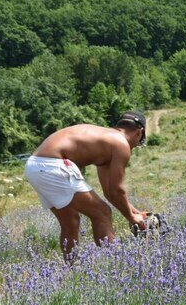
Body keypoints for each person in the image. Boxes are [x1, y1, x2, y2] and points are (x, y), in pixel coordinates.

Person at [24, 111, 149, 262]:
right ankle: (114, 265)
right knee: (102, 212)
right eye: (139, 140)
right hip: (53, 165)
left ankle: (71, 268)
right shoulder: (121, 143)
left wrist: (135, 212)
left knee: (70, 221)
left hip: (34, 165)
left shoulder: (107, 140)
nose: (135, 145)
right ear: (139, 132)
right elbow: (117, 191)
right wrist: (131, 218)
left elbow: (110, 192)